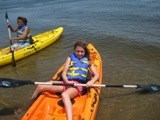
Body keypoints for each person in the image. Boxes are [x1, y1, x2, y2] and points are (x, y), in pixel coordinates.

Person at [15, 41, 99, 120]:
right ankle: (25, 108)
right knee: (40, 86)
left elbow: (96, 75)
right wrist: (66, 81)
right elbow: (64, 73)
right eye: (77, 51)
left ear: (85, 52)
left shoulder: (88, 61)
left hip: (77, 86)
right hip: (66, 83)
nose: (79, 53)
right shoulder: (70, 58)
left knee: (65, 95)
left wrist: (91, 82)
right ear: (74, 50)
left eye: (82, 51)